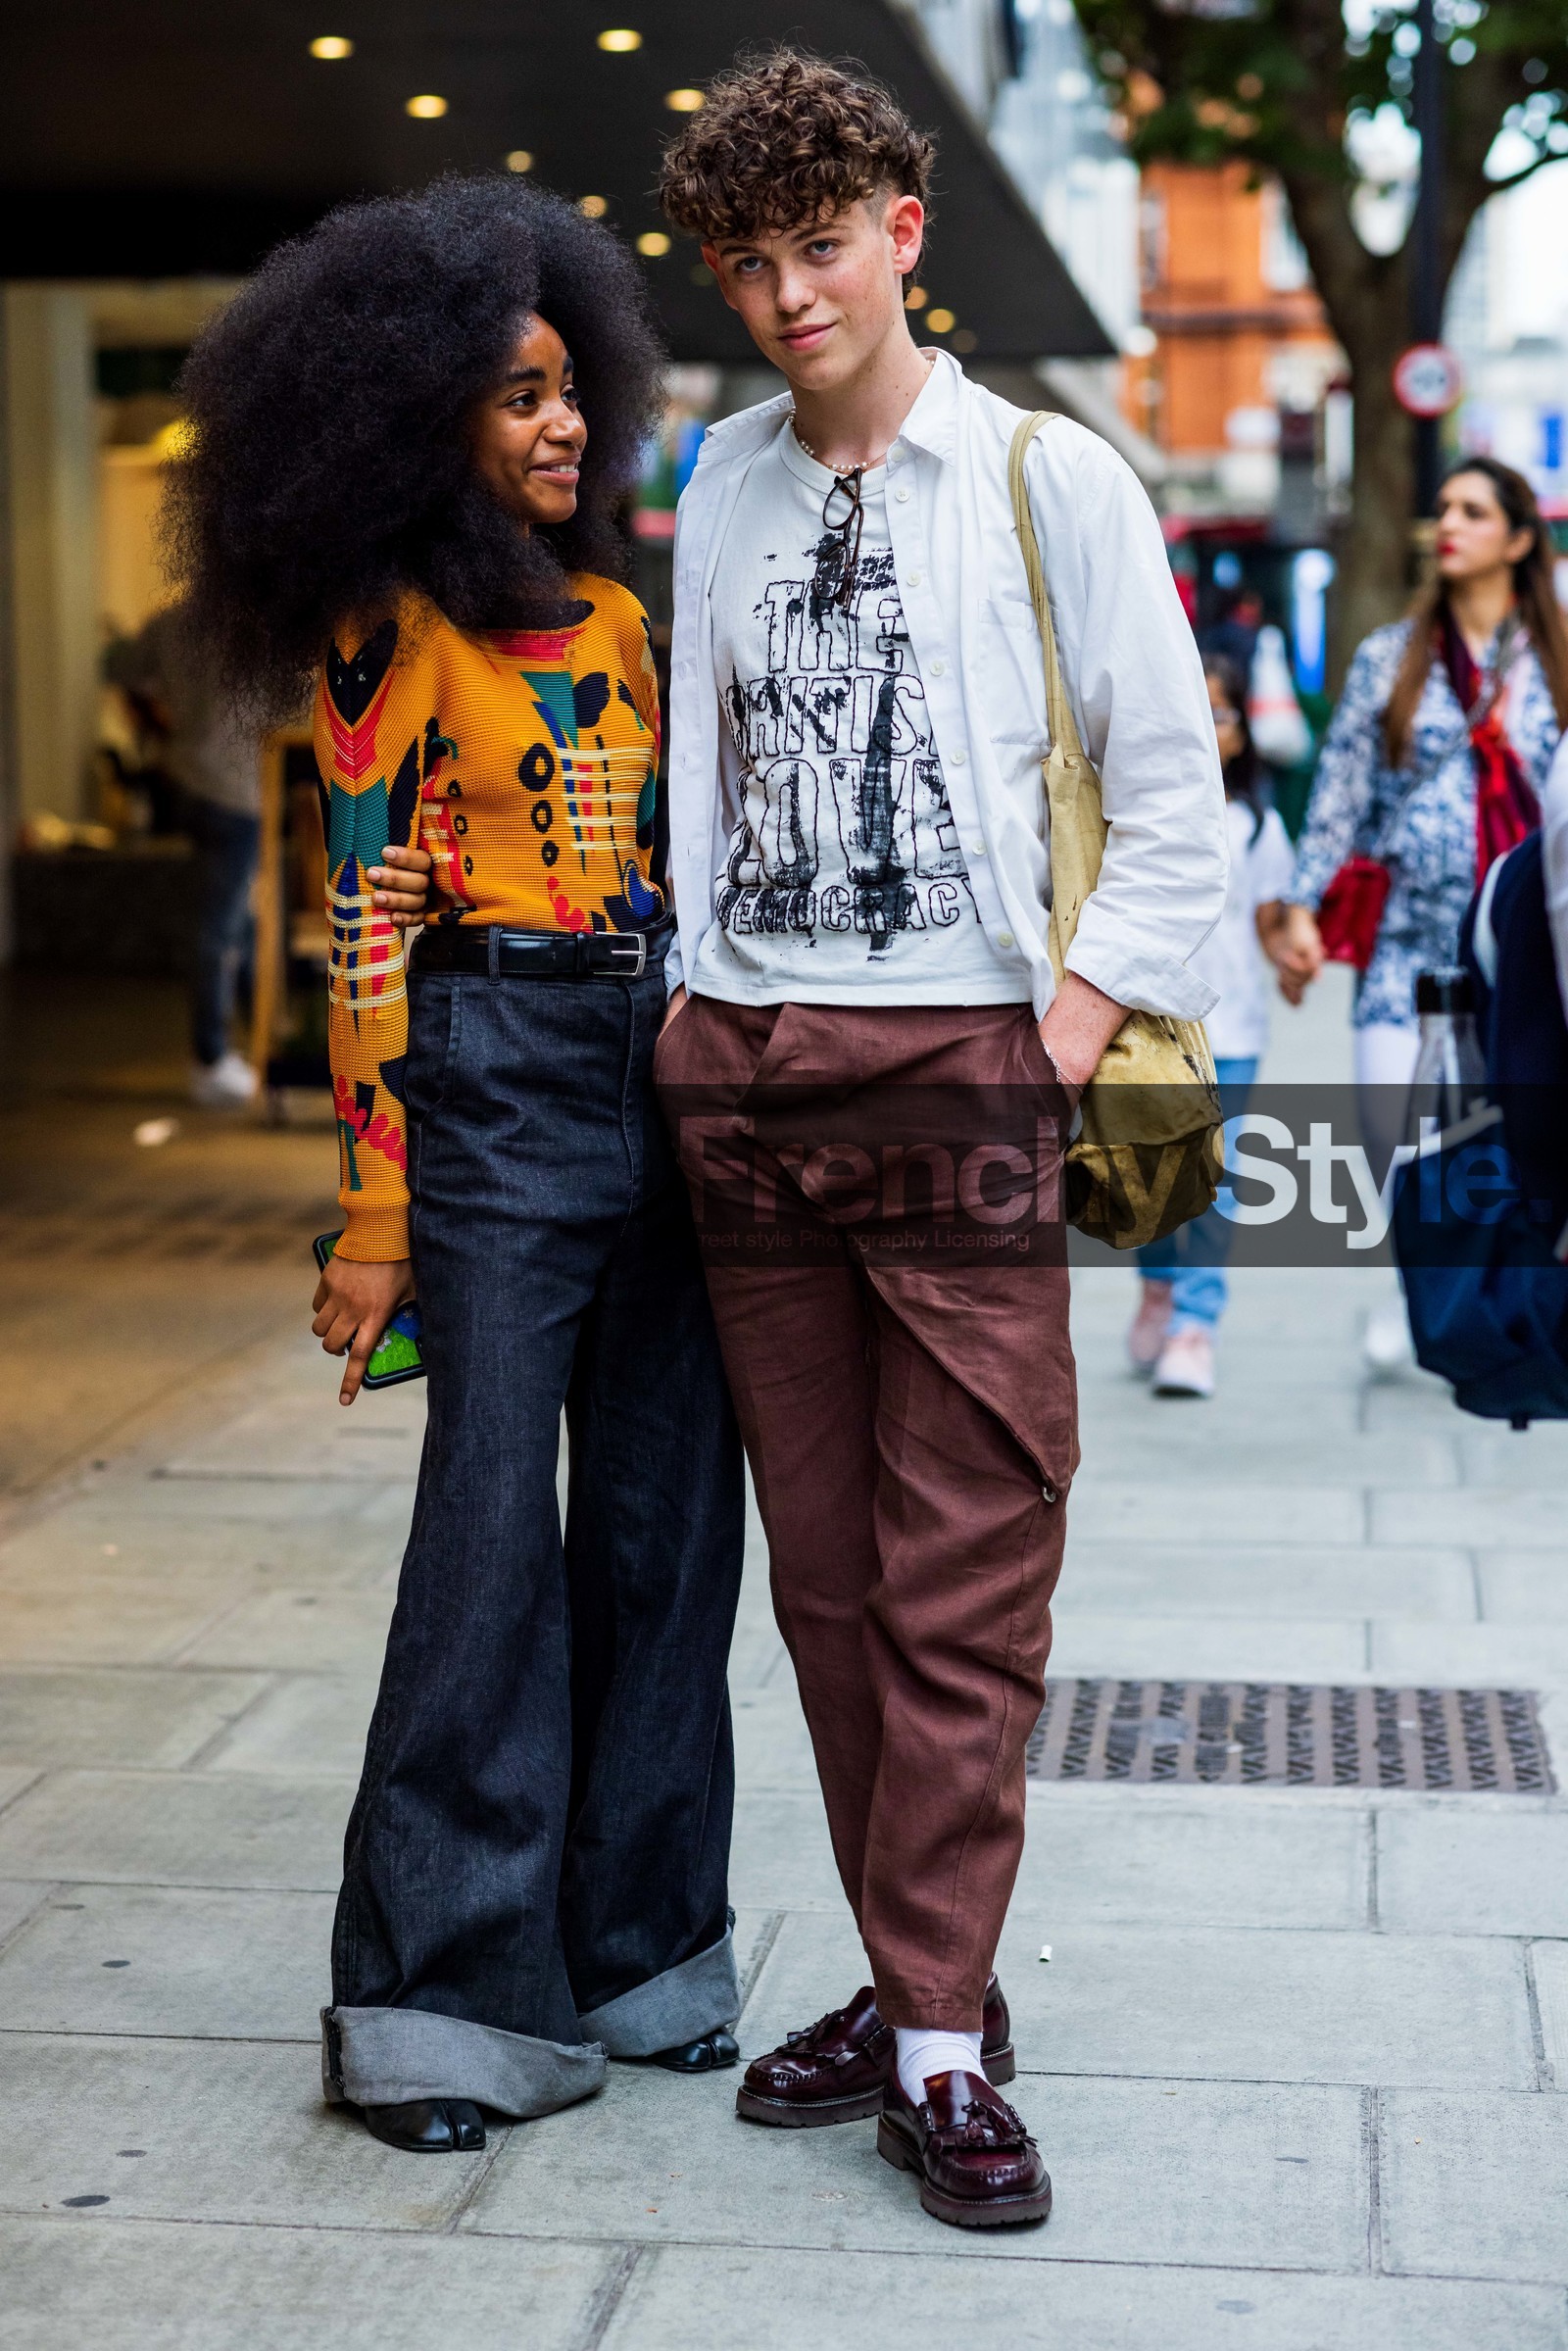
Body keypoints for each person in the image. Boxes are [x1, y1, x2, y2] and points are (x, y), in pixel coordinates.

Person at [655, 50, 1226, 2228]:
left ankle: (935, 2032)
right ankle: (921, 1986)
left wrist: (1053, 1030)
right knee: (820, 1579)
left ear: (905, 233)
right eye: (748, 257)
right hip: (748, 1072)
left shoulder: (1044, 478)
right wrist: (700, 1013)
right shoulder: (711, 480)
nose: (788, 291)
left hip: (960, 1061)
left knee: (963, 1564)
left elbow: (1168, 792)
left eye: (821, 244)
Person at [166, 176, 746, 2155]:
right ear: (418, 420)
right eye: (513, 396)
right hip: (488, 1078)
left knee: (669, 1525)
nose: (559, 424)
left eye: (570, 387)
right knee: (491, 1536)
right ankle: (432, 1999)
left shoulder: (614, 619)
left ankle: (642, 1942)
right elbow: (360, 932)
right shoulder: (381, 634)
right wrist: (374, 1212)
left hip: (653, 1065)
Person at [1267, 458, 1568, 1369]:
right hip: (1410, 949)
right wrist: (1299, 906)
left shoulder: (1556, 658)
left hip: (1529, 951)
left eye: (1473, 511)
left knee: (1524, 1138)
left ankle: (1505, 1295)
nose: (1449, 524)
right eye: (1442, 507)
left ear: (1519, 539)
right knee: (1401, 1142)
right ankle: (1426, 1289)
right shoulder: (1389, 657)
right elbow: (1340, 796)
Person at [1128, 656, 1296, 1397]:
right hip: (1149, 1031)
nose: (1206, 725)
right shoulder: (1135, 815)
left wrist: (1293, 957)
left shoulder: (1258, 826)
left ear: (1241, 735)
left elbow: (1269, 922)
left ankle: (1197, 1322)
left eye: (1221, 713)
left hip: (1232, 1031)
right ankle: (1159, 1284)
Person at [105, 601, 263, 1106]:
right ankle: (211, 1056)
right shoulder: (251, 621)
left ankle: (252, 1041)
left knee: (239, 920)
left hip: (189, 780)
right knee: (222, 926)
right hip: (239, 789)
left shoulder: (169, 622)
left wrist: (159, 720)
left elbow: (117, 667)